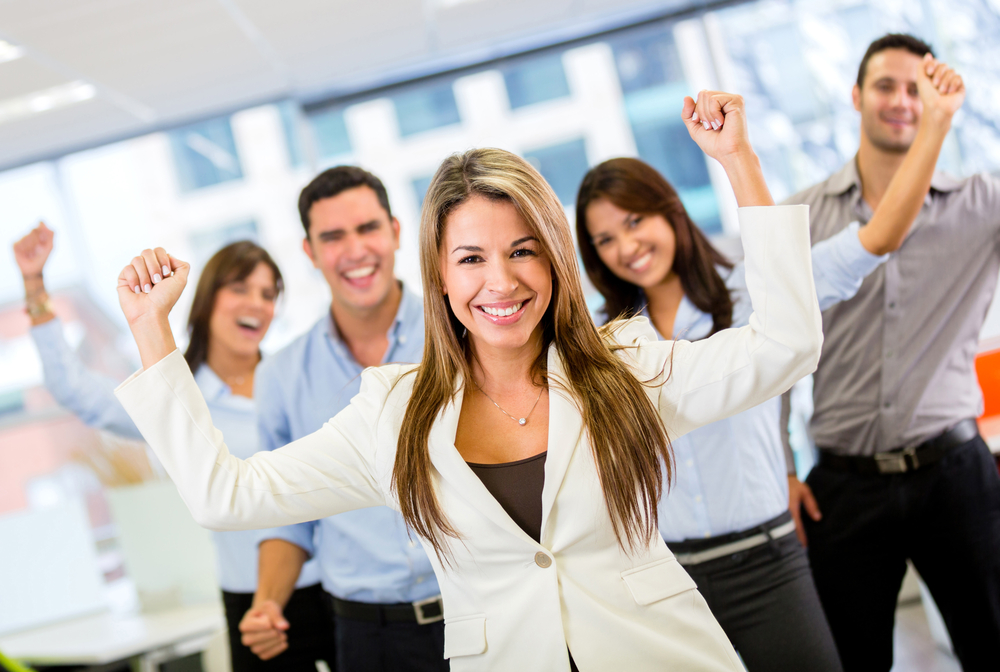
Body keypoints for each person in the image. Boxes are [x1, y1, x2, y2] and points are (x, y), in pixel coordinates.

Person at [110, 90, 821, 671]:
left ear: (554, 262)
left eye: (522, 251)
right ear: (441, 278)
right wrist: (152, 331)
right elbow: (221, 494)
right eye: (471, 258)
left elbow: (786, 345)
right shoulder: (391, 416)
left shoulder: (625, 368)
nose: (501, 281)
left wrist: (739, 161)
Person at [574, 130, 943, 667]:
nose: (626, 247)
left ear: (671, 212)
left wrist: (936, 121)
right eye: (605, 239)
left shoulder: (758, 290)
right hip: (666, 580)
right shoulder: (600, 341)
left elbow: (879, 237)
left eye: (634, 221)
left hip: (768, 563)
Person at [12, 228, 334, 672]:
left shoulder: (294, 382)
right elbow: (76, 390)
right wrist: (34, 287)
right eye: (240, 288)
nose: (257, 304)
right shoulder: (175, 398)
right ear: (207, 300)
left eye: (267, 293)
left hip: (337, 588)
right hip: (251, 601)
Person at [783, 34, 1000, 671]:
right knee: (852, 659)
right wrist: (784, 470)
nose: (902, 101)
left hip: (956, 472)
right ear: (856, 96)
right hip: (843, 487)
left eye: (917, 88)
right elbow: (764, 352)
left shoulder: (980, 206)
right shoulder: (802, 215)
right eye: (886, 85)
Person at [237, 167, 444, 672]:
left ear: (396, 232)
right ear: (309, 252)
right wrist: (267, 600)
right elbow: (287, 518)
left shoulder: (461, 332)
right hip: (368, 639)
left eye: (367, 228)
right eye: (332, 237)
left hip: (485, 610)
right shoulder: (283, 376)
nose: (354, 251)